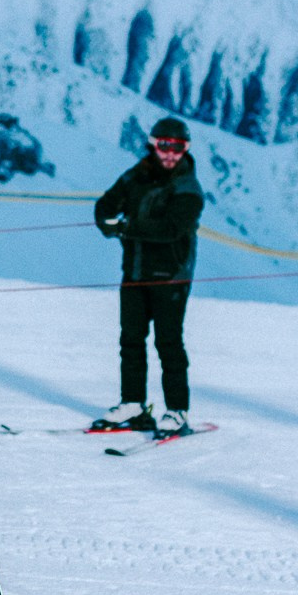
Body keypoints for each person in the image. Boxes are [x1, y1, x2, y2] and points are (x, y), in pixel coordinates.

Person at [91, 116, 206, 436]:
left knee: (168, 343)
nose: (170, 154)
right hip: (136, 271)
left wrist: (124, 227)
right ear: (153, 145)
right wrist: (106, 220)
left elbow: (171, 229)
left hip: (171, 276)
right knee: (131, 339)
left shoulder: (188, 189)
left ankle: (177, 410)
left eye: (178, 148)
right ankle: (133, 404)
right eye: (164, 146)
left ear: (186, 149)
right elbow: (106, 204)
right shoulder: (136, 176)